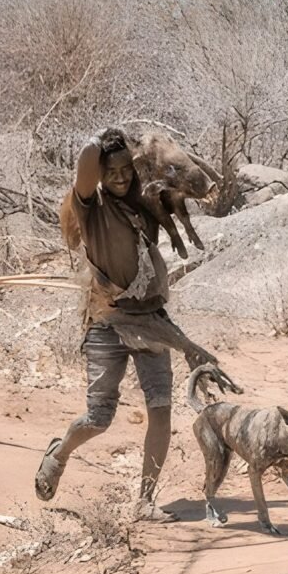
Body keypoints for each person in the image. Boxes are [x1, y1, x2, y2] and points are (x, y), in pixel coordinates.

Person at [35, 127, 229, 523]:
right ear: (100, 176)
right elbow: (87, 161)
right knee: (98, 418)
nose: (121, 178)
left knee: (160, 409)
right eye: (112, 172)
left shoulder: (143, 204)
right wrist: (107, 137)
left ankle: (145, 500)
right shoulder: (90, 206)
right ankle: (60, 452)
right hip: (107, 322)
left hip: (150, 320)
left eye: (127, 169)